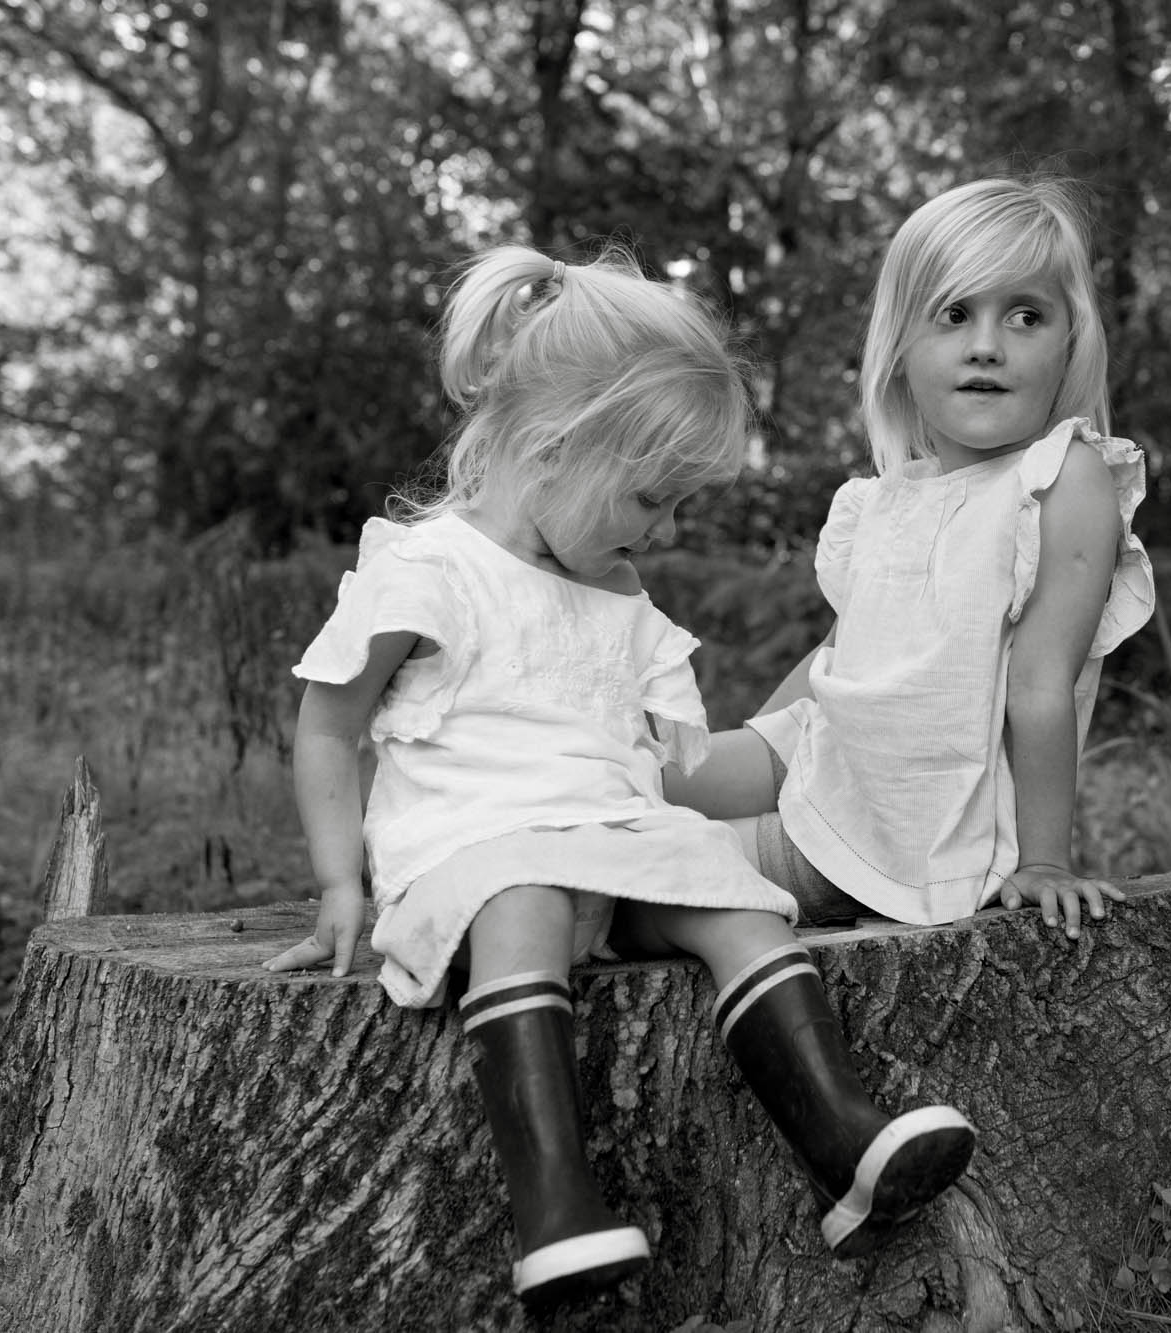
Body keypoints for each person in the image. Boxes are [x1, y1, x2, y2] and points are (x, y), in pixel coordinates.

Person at [260, 246, 975, 1307]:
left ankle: (844, 1140)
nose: (667, 530)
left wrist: (837, 740)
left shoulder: (620, 595)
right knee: (523, 898)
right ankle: (556, 1209)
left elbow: (679, 773)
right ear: (554, 448)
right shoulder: (429, 570)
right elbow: (327, 728)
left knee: (732, 898)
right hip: (475, 858)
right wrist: (337, 889)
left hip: (613, 845)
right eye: (652, 498)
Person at [666, 176, 1156, 940]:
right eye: (955, 314)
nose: (987, 344)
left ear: (1070, 344)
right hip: (819, 759)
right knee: (621, 767)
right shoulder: (885, 499)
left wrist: (1046, 858)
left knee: (625, 861)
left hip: (897, 827)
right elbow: (835, 660)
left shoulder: (1062, 478)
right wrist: (754, 765)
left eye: (1026, 315)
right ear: (900, 349)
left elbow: (1040, 680)